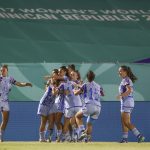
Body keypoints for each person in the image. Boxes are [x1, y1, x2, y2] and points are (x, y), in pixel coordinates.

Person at [0, 64, 32, 142]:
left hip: (5, 101)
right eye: (1, 70)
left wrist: (26, 84)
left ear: (7, 71)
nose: (2, 71)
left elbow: (18, 83)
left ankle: (1, 137)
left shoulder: (10, 78)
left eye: (4, 70)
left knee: (5, 120)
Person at [117, 65, 145, 143]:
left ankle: (139, 136)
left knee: (126, 122)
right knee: (124, 121)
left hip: (127, 102)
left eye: (120, 71)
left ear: (125, 72)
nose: (119, 72)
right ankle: (125, 139)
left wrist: (121, 95)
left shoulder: (126, 79)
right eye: (118, 71)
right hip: (127, 102)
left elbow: (129, 90)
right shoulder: (125, 79)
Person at [74, 70, 104, 142]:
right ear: (94, 77)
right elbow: (102, 94)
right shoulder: (98, 86)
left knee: (77, 116)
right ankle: (87, 139)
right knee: (89, 124)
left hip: (89, 105)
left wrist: (75, 89)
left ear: (87, 77)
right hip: (98, 107)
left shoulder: (85, 85)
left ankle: (82, 131)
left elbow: (76, 93)